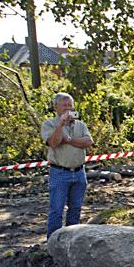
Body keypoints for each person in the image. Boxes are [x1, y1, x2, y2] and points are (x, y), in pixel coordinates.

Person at [41, 92, 93, 239]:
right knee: (56, 210)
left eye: (70, 105)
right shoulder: (49, 124)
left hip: (79, 171)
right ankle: (53, 241)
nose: (68, 108)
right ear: (56, 107)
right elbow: (54, 143)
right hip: (59, 172)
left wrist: (69, 139)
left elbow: (88, 142)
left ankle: (71, 240)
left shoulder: (81, 125)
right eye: (64, 105)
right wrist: (60, 126)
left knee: (75, 209)